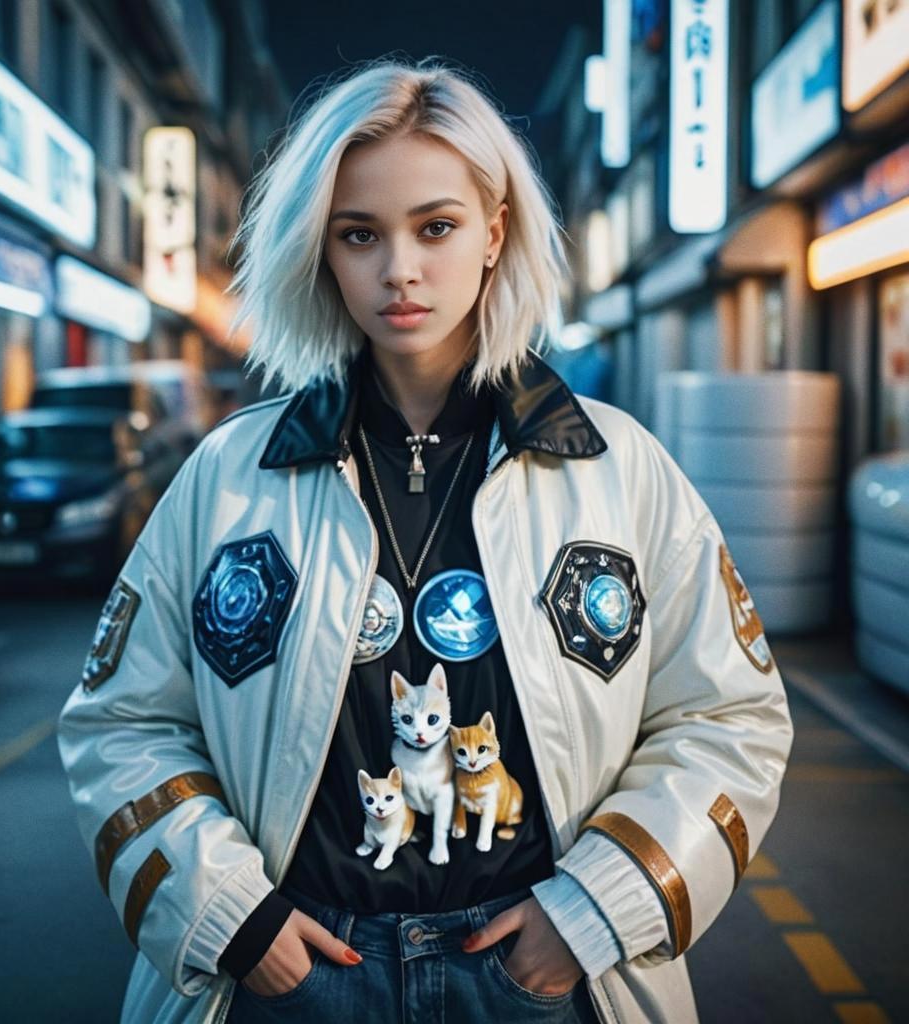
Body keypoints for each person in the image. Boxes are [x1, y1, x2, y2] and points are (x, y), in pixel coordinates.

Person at [57, 57, 793, 1024]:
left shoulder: (621, 470)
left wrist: (597, 909)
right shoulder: (228, 479)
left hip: (546, 979)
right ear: (321, 251)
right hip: (291, 976)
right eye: (359, 234)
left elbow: (729, 717)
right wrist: (228, 916)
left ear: (494, 234)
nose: (398, 269)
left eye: (436, 227)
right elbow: (121, 722)